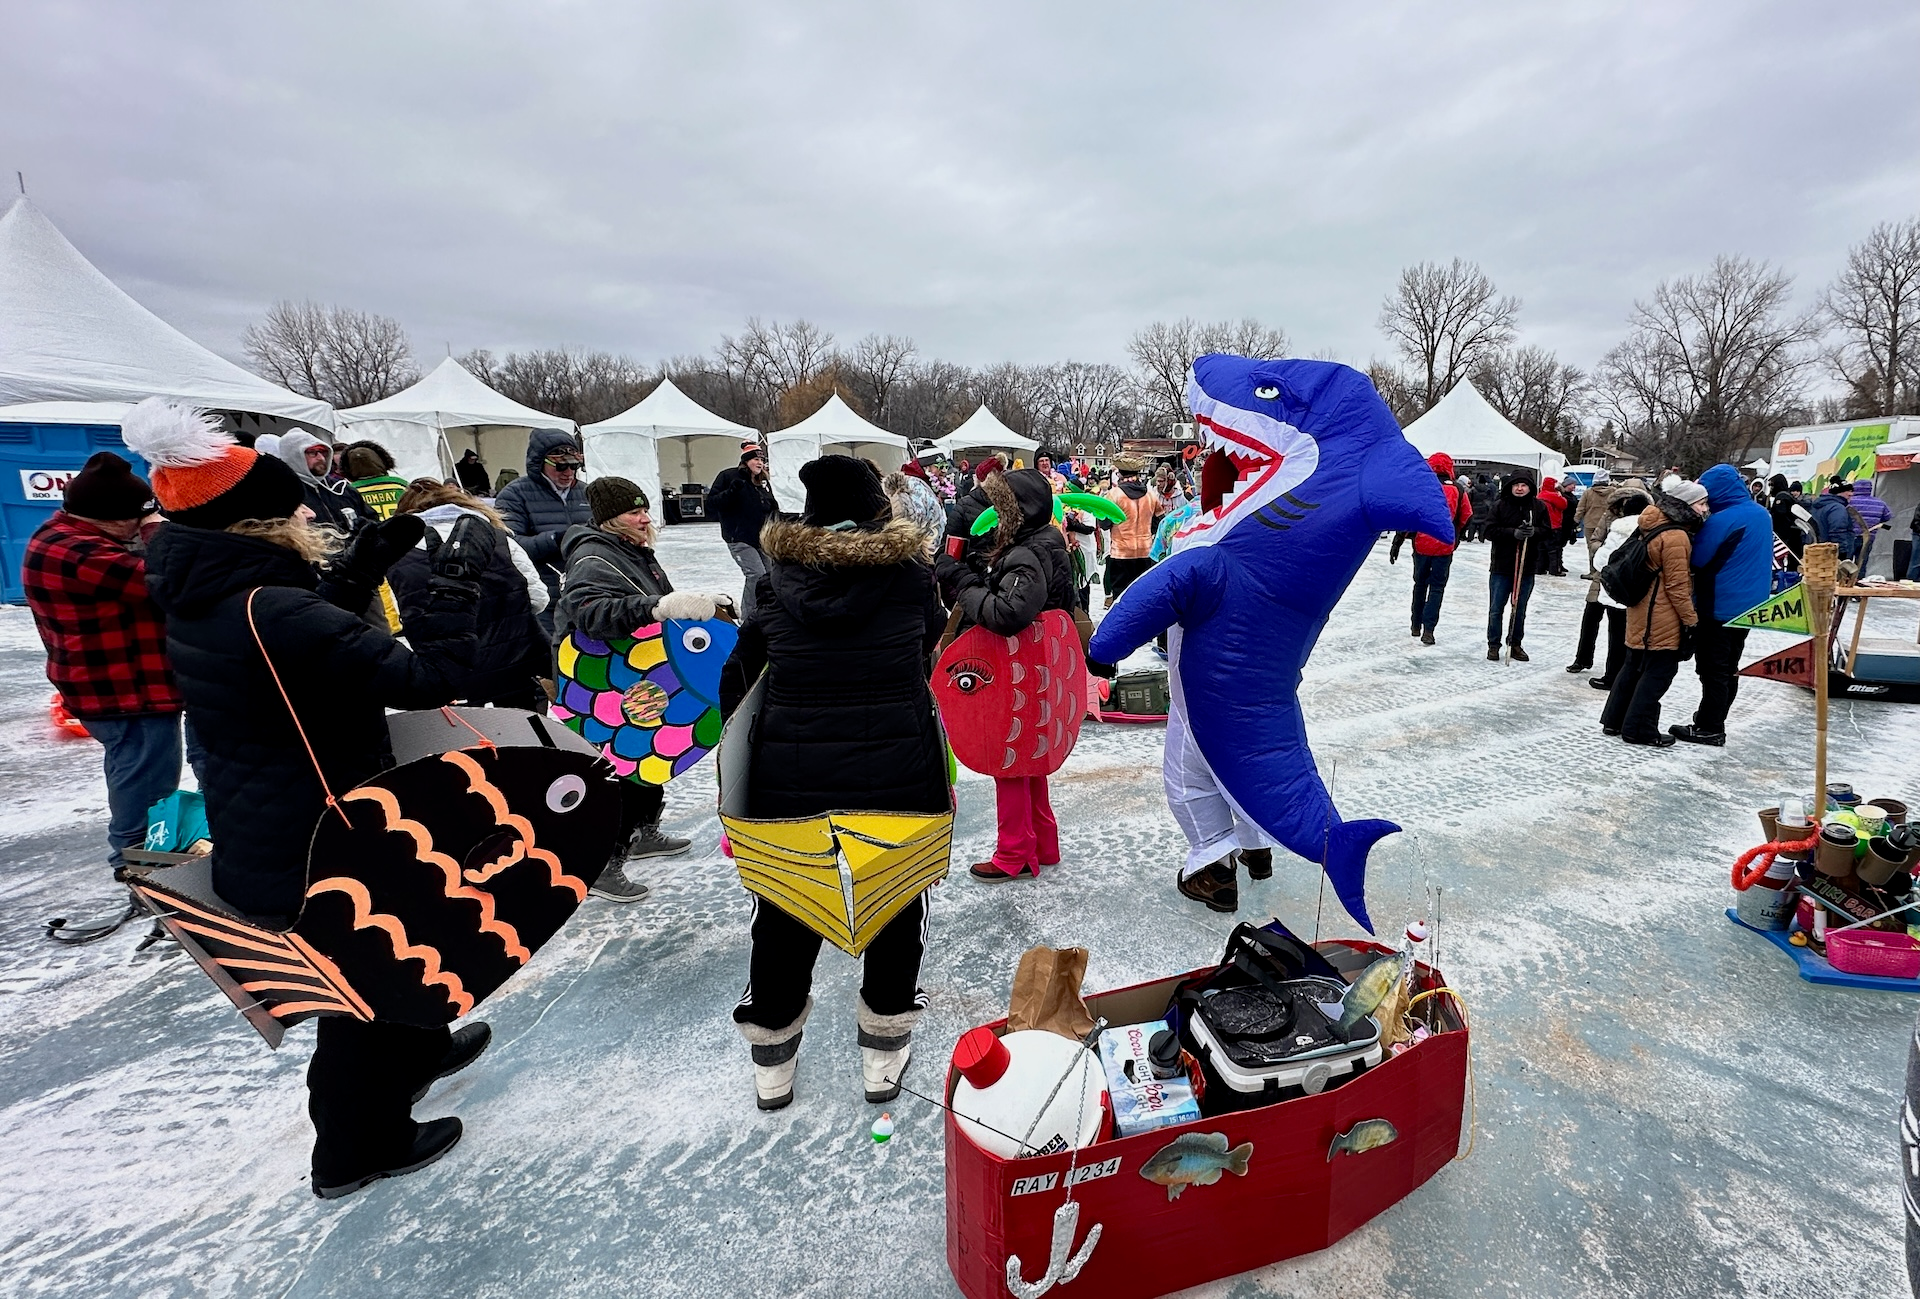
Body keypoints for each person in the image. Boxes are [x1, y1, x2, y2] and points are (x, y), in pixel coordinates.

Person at [130, 397, 491, 1200]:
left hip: (283, 808)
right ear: (257, 522)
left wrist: (369, 556)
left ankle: (420, 1050)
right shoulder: (270, 606)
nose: (306, 507)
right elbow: (429, 680)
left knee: (399, 940)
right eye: (290, 502)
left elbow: (304, 622)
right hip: (315, 824)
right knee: (357, 980)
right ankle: (355, 1147)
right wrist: (456, 586)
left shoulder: (216, 587)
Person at [716, 455, 945, 1111]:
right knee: (898, 905)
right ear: (880, 509)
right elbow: (926, 644)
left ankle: (773, 1067)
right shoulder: (911, 578)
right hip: (899, 771)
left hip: (789, 777)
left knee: (785, 912)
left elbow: (740, 681)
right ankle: (882, 1055)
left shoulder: (770, 583)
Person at [553, 477, 736, 900]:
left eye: (644, 509)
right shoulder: (592, 558)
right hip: (606, 684)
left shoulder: (632, 551)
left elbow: (659, 606)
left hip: (640, 677)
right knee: (623, 768)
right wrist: (654, 607)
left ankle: (643, 832)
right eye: (634, 512)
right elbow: (588, 613)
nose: (644, 518)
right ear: (610, 518)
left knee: (652, 758)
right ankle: (605, 861)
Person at [21, 450, 203, 871]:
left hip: (132, 685)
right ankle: (138, 866)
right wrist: (157, 531)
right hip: (122, 691)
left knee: (147, 779)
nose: (137, 526)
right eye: (133, 518)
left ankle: (144, 861)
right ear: (103, 516)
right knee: (146, 787)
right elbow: (166, 582)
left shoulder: (80, 537)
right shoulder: (71, 550)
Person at [954, 469, 1077, 880]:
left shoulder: (1026, 553)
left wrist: (962, 583)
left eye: (999, 505)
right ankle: (1042, 842)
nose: (992, 511)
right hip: (1041, 668)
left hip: (1016, 669)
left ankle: (1014, 853)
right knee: (1030, 760)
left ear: (1015, 510)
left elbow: (1008, 614)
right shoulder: (1048, 543)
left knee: (1008, 760)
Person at [387, 480, 550, 712]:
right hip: (517, 670)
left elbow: (401, 614)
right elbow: (538, 598)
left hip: (449, 681)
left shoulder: (398, 555)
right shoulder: (499, 539)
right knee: (530, 741)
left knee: (469, 745)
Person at [1671, 464, 1775, 746]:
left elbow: (1699, 560)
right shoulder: (1760, 513)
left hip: (1719, 603)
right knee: (1730, 665)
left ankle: (1709, 726)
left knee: (1712, 668)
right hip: (1750, 604)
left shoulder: (1722, 520)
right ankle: (1713, 717)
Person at [1599, 482, 1706, 747]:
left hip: (1639, 608)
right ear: (1686, 505)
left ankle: (1614, 720)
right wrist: (1691, 620)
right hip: (1661, 615)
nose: (1706, 509)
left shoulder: (1651, 522)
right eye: (1702, 503)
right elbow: (1677, 586)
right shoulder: (1675, 537)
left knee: (1633, 665)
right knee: (1659, 671)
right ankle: (1639, 728)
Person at [495, 430, 592, 642]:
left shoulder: (588, 493)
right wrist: (557, 539)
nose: (568, 472)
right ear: (539, 462)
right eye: (560, 466)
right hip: (544, 597)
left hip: (587, 594)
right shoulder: (514, 495)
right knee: (552, 660)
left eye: (574, 466)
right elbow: (509, 546)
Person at [1567, 488, 1650, 688]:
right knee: (1591, 619)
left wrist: (1607, 556)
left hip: (1612, 576)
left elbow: (1603, 556)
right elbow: (1595, 539)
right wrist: (1600, 548)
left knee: (1618, 628)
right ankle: (1583, 658)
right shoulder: (1609, 517)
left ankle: (1613, 673)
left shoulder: (1639, 528)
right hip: (1602, 578)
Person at [708, 446, 782, 622]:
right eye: (756, 459)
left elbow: (769, 507)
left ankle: (766, 612)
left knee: (770, 576)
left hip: (761, 539)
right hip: (739, 537)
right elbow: (712, 503)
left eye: (762, 460)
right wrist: (732, 491)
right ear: (746, 461)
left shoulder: (761, 482)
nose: (760, 463)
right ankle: (747, 617)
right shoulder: (729, 476)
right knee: (756, 575)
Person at [1485, 470, 1552, 661]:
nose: (1520, 488)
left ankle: (1515, 643)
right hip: (1501, 565)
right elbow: (1489, 531)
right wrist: (1512, 533)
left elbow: (1547, 531)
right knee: (1496, 608)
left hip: (1527, 565)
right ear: (1510, 487)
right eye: (1516, 485)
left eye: (1523, 485)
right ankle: (1493, 644)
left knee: (1519, 608)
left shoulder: (1538, 507)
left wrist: (1534, 532)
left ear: (1530, 487)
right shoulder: (1500, 506)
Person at [1407, 453, 1471, 646]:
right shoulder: (1458, 489)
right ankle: (1429, 630)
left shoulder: (1421, 487)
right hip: (1444, 544)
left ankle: (1415, 624)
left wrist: (1402, 538)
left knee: (1419, 584)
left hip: (1422, 542)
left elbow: (1410, 513)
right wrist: (1456, 536)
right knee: (1437, 588)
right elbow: (1466, 516)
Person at [279, 432, 377, 533]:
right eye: (312, 453)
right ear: (295, 456)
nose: (321, 458)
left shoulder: (341, 489)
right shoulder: (285, 496)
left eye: (323, 452)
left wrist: (364, 527)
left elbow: (372, 520)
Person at [1101, 453, 1161, 605]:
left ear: (1119, 473)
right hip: (1145, 552)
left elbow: (1104, 523)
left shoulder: (1114, 495)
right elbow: (1159, 520)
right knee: (1142, 598)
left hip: (1121, 554)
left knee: (1121, 600)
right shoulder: (1150, 494)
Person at [883, 460, 946, 551]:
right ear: (926, 467)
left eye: (946, 466)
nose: (944, 470)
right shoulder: (914, 485)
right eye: (939, 466)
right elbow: (917, 523)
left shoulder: (932, 487)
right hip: (920, 550)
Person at [1577, 471, 1616, 577]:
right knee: (1608, 547)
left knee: (1592, 548)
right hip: (1608, 523)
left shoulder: (1588, 492)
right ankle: (1605, 571)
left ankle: (1593, 572)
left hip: (1590, 523)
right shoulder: (1613, 491)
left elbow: (1581, 508)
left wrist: (1576, 520)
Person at [1850, 477, 1893, 572]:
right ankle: (1858, 582)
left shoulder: (1850, 502)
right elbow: (1888, 517)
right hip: (1869, 537)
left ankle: (1843, 583)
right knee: (1861, 563)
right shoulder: (1880, 503)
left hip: (1851, 536)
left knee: (1846, 563)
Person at [1807, 481, 1858, 559]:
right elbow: (1837, 530)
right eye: (1847, 491)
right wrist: (1841, 553)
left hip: (1818, 551)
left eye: (1851, 491)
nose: (1851, 494)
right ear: (1838, 493)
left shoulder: (1817, 506)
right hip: (1832, 554)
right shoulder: (1837, 508)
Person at [1767, 475, 1806, 568]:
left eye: (1772, 485)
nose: (1771, 488)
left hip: (1787, 537)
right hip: (1792, 535)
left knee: (1791, 565)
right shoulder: (1786, 496)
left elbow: (1780, 518)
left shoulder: (1782, 497)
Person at [1536, 477, 1569, 576]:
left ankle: (1540, 568)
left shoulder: (1539, 495)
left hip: (1541, 526)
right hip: (1554, 525)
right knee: (1554, 550)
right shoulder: (1554, 496)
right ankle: (1555, 569)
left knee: (1541, 549)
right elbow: (1564, 505)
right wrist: (1560, 496)